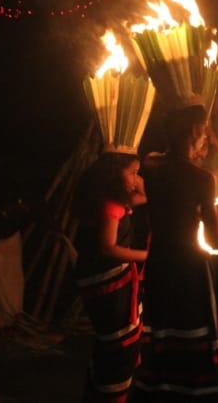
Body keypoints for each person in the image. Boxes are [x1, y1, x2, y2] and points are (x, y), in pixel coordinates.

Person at [133, 102, 218, 402]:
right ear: (192, 131)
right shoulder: (202, 179)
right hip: (188, 268)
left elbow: (173, 166)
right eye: (204, 130)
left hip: (159, 262)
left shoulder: (150, 164)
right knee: (189, 335)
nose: (207, 137)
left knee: (162, 332)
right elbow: (216, 237)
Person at [72, 150, 148, 403]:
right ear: (114, 174)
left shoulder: (115, 199)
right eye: (133, 173)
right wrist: (147, 256)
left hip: (109, 281)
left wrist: (136, 178)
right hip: (107, 285)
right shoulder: (110, 204)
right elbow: (108, 248)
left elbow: (144, 196)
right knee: (119, 346)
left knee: (116, 345)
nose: (137, 180)